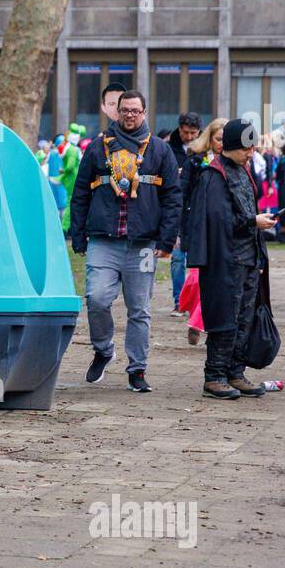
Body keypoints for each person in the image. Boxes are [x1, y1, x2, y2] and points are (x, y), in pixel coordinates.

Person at [69, 90, 182, 393]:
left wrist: (166, 239)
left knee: (139, 308)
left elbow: (173, 197)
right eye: (125, 110)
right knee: (96, 299)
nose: (130, 115)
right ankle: (104, 350)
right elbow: (80, 193)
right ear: (116, 112)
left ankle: (137, 369)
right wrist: (78, 235)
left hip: (143, 243)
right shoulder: (96, 148)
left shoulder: (160, 151)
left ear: (145, 113)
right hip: (103, 240)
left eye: (135, 110)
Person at [183, 119, 276, 399]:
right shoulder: (213, 176)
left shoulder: (242, 172)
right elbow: (219, 220)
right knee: (225, 318)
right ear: (233, 146)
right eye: (247, 148)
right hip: (226, 262)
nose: (251, 153)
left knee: (245, 318)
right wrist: (253, 222)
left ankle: (235, 373)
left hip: (248, 260)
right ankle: (215, 377)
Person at [179, 118, 226, 345]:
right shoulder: (196, 162)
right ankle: (194, 315)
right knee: (197, 279)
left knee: (217, 281)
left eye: (226, 140)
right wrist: (179, 230)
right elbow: (181, 194)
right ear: (209, 138)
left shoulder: (235, 164)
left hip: (223, 231)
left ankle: (203, 323)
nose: (222, 144)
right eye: (218, 139)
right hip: (197, 227)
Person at [166, 112, 201, 315]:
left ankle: (196, 301)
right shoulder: (169, 148)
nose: (189, 137)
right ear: (179, 129)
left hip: (197, 207)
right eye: (186, 132)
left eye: (193, 133)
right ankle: (179, 300)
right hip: (179, 207)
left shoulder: (205, 149)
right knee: (178, 258)